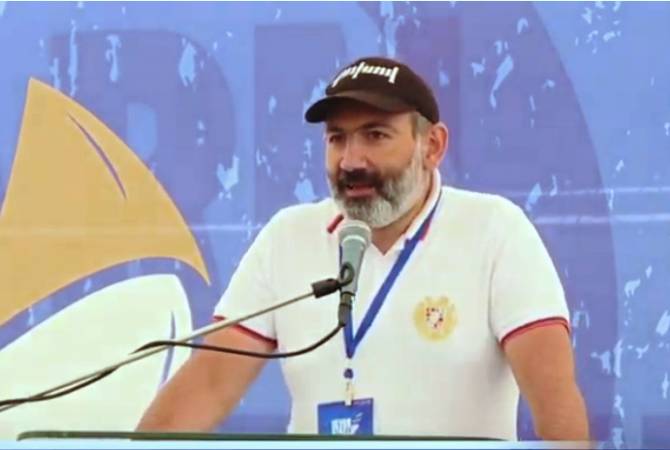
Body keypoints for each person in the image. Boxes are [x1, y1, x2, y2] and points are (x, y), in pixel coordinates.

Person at [137, 56, 590, 441]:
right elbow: (210, 384)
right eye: (337, 138)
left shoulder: (495, 231)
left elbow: (555, 403)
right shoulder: (287, 236)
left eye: (375, 135)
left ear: (432, 145)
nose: (351, 161)